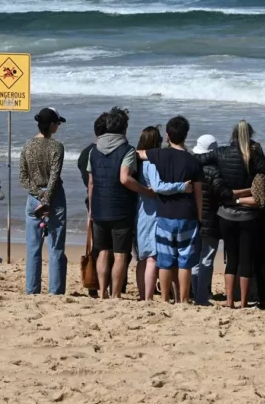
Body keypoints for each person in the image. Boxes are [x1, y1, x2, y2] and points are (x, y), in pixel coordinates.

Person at [196, 120, 265, 309]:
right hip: (249, 214)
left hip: (225, 214)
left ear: (233, 135)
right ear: (250, 135)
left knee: (231, 259)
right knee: (246, 260)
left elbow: (198, 160)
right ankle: (243, 303)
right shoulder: (253, 156)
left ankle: (229, 302)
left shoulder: (221, 153)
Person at [143, 116, 204, 304]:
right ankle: (184, 300)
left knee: (165, 260)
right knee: (185, 261)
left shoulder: (158, 155)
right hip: (187, 215)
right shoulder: (193, 162)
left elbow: (138, 153)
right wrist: (200, 217)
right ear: (186, 135)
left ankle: (164, 299)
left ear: (167, 135)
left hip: (165, 214)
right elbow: (198, 194)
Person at [86, 107, 144, 299]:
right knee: (120, 254)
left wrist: (91, 210)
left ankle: (102, 292)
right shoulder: (127, 150)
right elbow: (125, 178)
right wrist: (146, 191)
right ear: (124, 128)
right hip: (121, 209)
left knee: (103, 251)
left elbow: (92, 182)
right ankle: (115, 293)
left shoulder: (93, 150)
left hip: (99, 209)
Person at [135, 126, 191, 301]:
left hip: (140, 211)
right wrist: (181, 186)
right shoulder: (151, 162)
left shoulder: (135, 160)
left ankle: (144, 294)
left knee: (143, 258)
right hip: (152, 213)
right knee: (153, 257)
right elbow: (158, 186)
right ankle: (149, 297)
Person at [18, 108, 67, 295]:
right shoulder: (57, 147)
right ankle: (55, 292)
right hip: (53, 197)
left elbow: (23, 177)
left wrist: (38, 194)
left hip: (33, 197)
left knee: (33, 247)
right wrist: (46, 199)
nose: (58, 126)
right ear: (52, 125)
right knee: (55, 247)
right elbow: (54, 178)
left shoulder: (28, 146)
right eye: (58, 123)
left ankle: (32, 290)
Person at [190, 134, 226, 306]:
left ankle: (194, 291)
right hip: (210, 218)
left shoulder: (189, 166)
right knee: (206, 259)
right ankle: (202, 296)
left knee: (193, 257)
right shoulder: (214, 170)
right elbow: (220, 194)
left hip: (191, 217)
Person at [78, 113, 106, 298]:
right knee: (106, 247)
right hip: (108, 201)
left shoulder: (86, 153)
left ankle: (94, 284)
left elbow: (85, 177)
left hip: (92, 200)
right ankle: (101, 284)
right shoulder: (107, 152)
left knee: (96, 245)